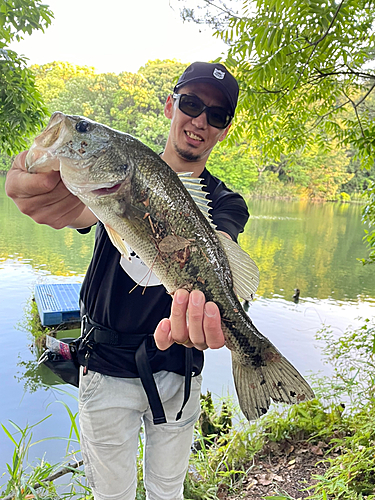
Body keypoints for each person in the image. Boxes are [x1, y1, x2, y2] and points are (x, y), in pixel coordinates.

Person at [5, 61, 249, 500]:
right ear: (171, 104)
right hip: (104, 366)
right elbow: (75, 210)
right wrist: (48, 193)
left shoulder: (226, 201)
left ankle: (253, 355)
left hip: (180, 372)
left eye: (216, 114)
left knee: (167, 490)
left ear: (224, 128)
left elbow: (220, 248)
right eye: (191, 104)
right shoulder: (115, 178)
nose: (199, 120)